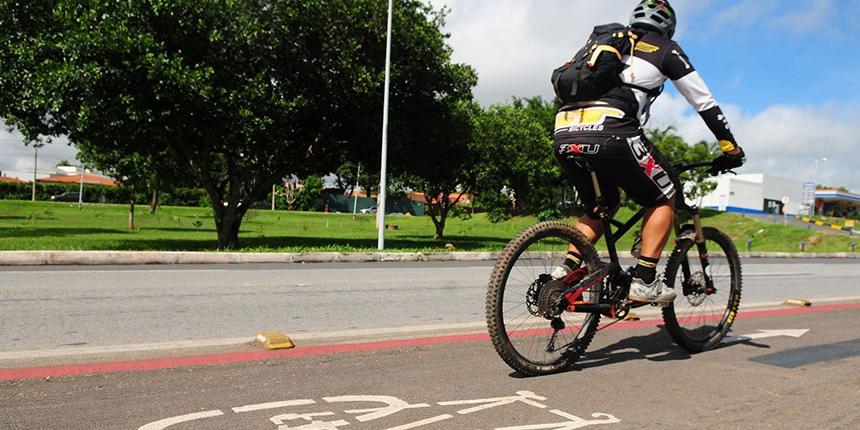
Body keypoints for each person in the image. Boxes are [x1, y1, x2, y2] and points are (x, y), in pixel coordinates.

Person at [551, 0, 745, 303]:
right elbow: (704, 102)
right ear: (668, 27)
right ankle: (643, 279)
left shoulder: (604, 44)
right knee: (664, 194)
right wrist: (730, 147)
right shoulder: (666, 48)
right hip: (612, 129)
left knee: (602, 204)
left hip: (564, 130)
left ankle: (564, 274)